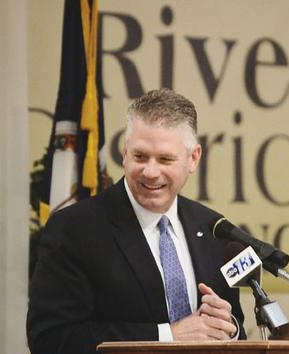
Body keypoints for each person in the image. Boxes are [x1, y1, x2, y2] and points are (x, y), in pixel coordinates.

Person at [27, 88, 246, 354]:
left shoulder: (213, 228)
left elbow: (237, 332)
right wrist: (167, 336)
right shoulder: (74, 229)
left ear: (193, 158)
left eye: (165, 159)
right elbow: (51, 338)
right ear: (125, 152)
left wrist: (229, 330)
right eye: (140, 156)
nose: (150, 172)